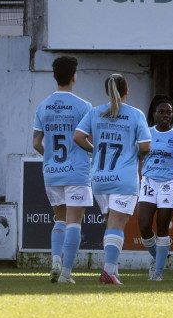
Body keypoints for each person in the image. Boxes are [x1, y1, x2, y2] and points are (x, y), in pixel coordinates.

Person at [74, 73, 150, 285]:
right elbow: (145, 146)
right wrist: (138, 154)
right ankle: (108, 272)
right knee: (117, 224)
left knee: (111, 224)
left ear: (107, 92)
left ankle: (113, 271)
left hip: (99, 177)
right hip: (123, 179)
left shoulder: (95, 112)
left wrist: (94, 151)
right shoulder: (135, 115)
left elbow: (78, 137)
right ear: (127, 91)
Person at [32, 56, 92, 284]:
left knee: (59, 219)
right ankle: (66, 273)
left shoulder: (43, 106)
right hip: (76, 171)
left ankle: (55, 260)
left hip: (52, 172)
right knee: (75, 222)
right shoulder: (83, 106)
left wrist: (49, 158)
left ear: (55, 76)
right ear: (74, 76)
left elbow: (36, 143)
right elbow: (89, 140)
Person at [137, 95, 173, 281]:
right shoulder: (146, 132)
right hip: (148, 181)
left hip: (169, 183)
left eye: (168, 112)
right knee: (144, 225)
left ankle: (158, 273)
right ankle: (158, 257)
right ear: (154, 114)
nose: (165, 115)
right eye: (161, 112)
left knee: (162, 227)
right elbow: (138, 154)